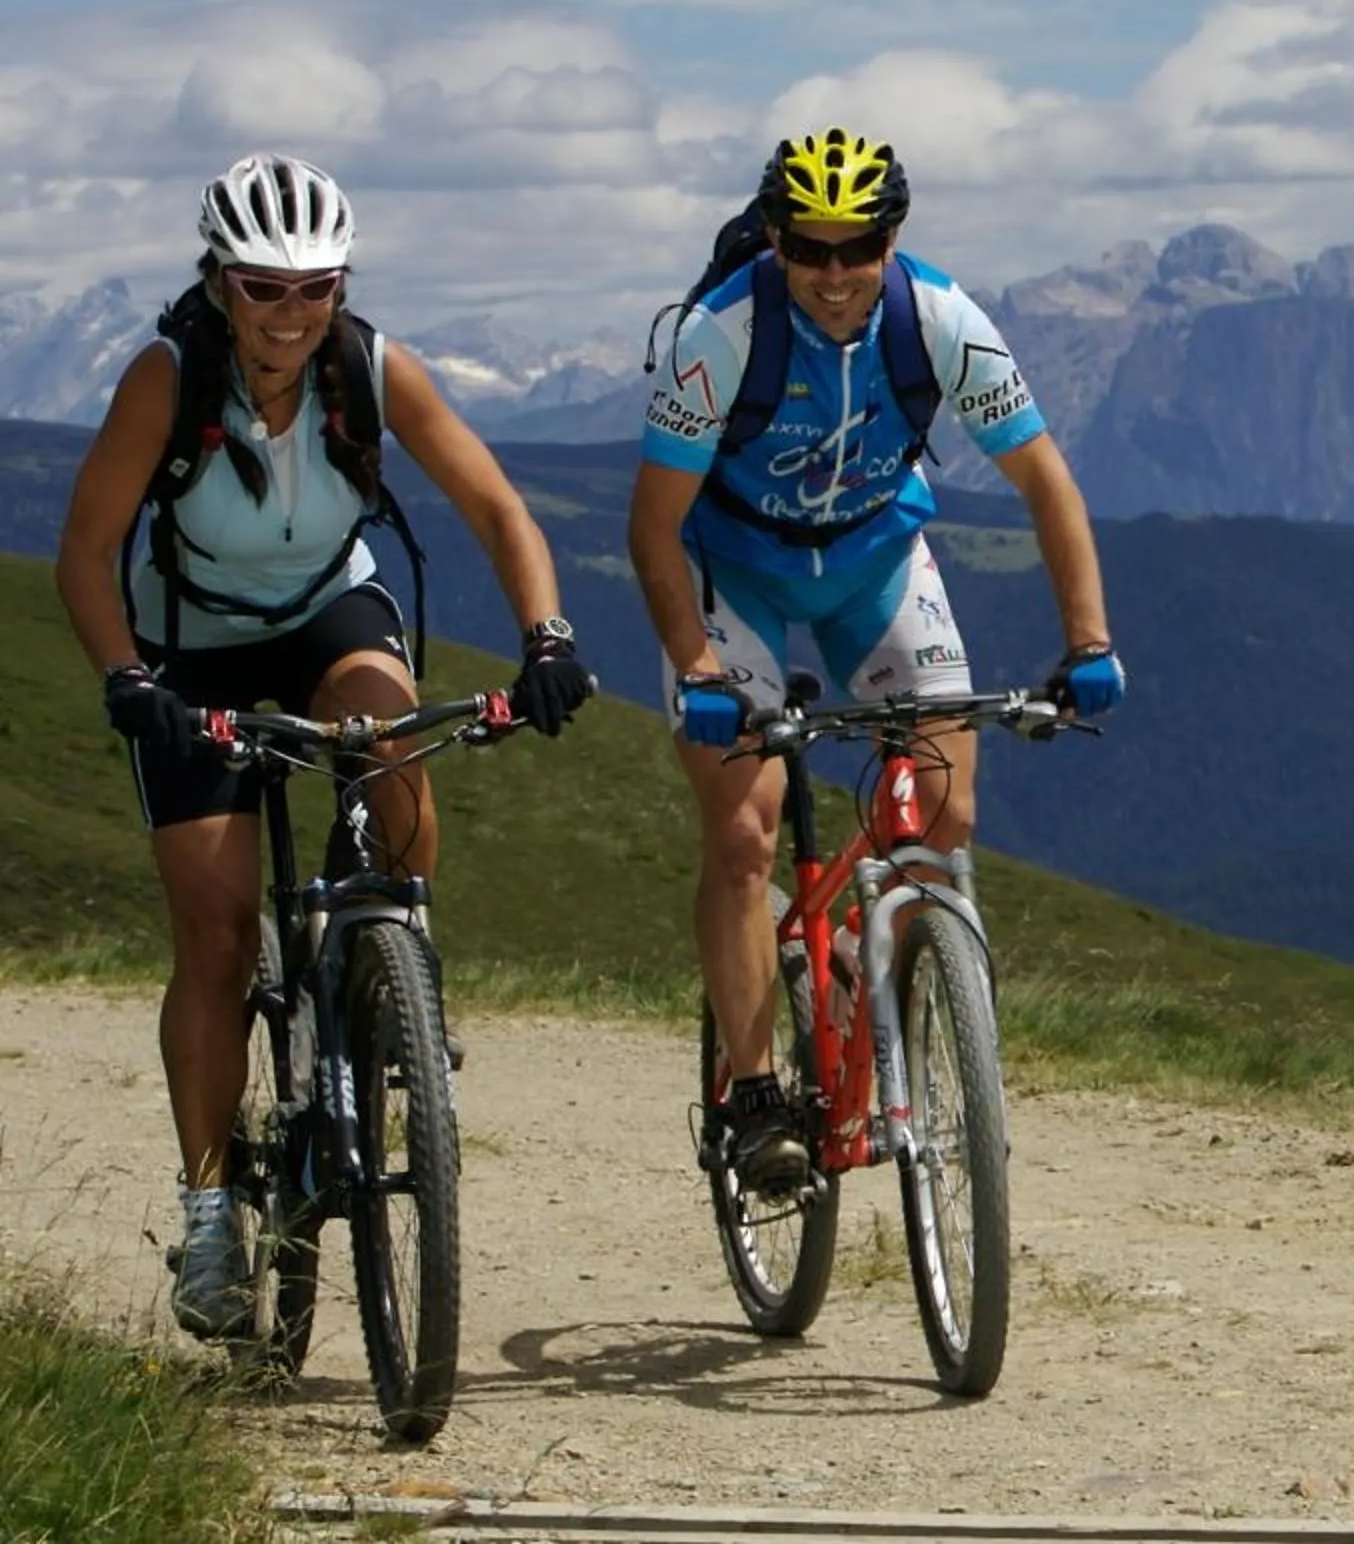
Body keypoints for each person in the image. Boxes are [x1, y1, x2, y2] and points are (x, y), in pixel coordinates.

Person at [54, 152, 597, 1338]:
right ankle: (208, 1220)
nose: (291, 314)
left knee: (390, 748)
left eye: (315, 289)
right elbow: (85, 553)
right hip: (190, 642)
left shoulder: (371, 368)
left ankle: (397, 977)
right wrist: (126, 680)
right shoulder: (167, 377)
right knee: (211, 932)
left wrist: (547, 637)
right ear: (219, 284)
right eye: (262, 288)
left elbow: (500, 508)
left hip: (328, 611)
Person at [627, 127, 1121, 1195]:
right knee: (746, 834)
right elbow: (652, 526)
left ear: (894, 239)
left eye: (861, 248)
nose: (839, 276)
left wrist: (1089, 643)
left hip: (875, 562)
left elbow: (1047, 485)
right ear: (776, 239)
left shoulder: (938, 317)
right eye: (812, 250)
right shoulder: (720, 334)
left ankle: (880, 980)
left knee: (944, 817)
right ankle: (755, 1097)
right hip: (736, 578)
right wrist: (694, 666)